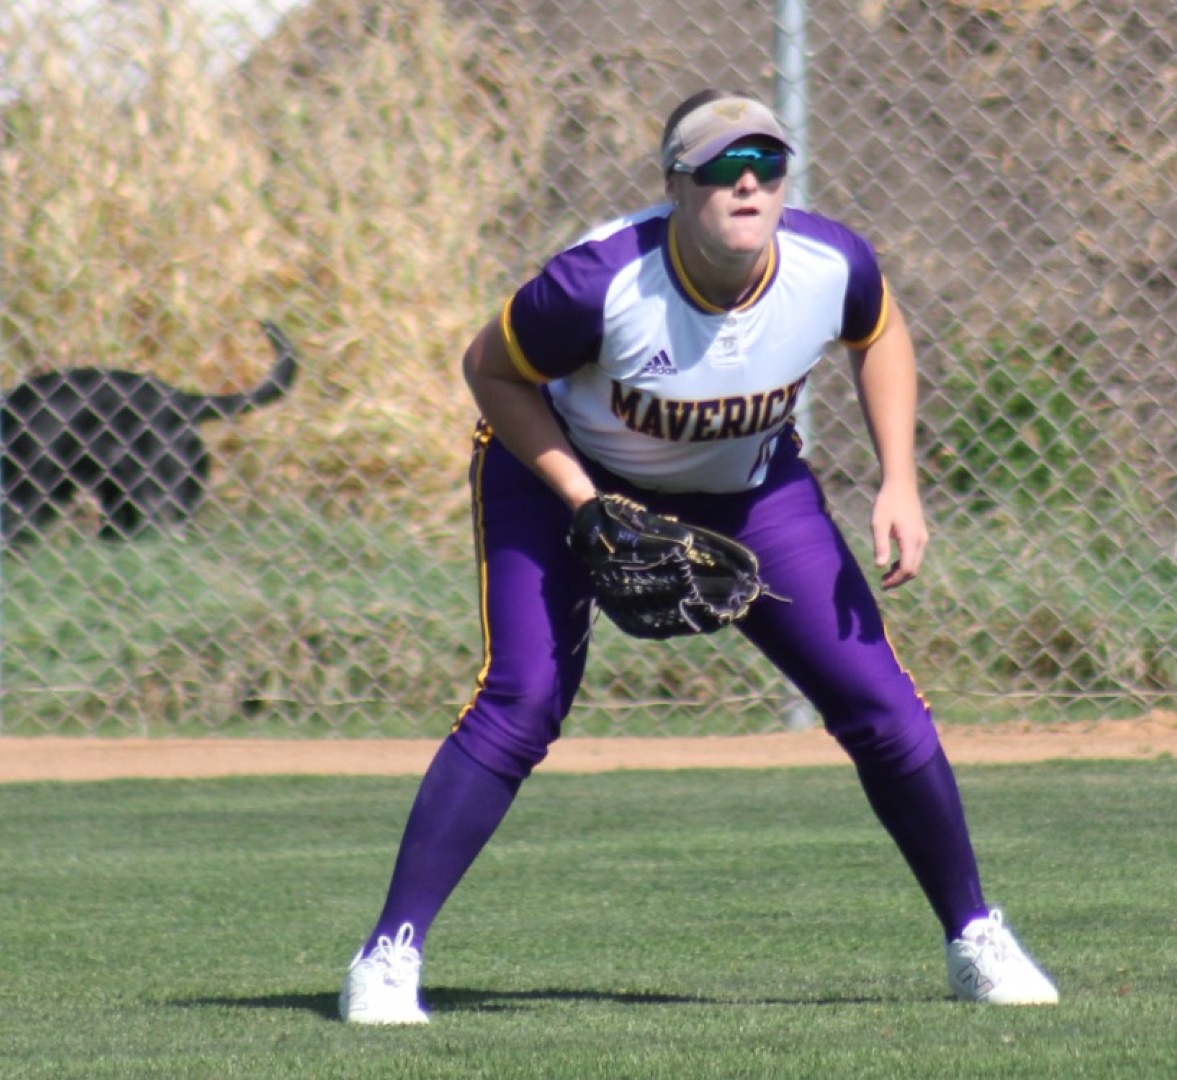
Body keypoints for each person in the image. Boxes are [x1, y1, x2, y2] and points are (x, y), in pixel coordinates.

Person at [337, 89, 1060, 1024]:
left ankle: (975, 935)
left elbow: (878, 332)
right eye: (722, 167)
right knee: (522, 703)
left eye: (766, 162)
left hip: (751, 488)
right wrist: (584, 501)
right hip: (566, 473)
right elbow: (492, 370)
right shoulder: (599, 283)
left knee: (880, 704)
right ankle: (389, 955)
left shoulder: (829, 261)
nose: (748, 181)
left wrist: (900, 479)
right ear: (677, 186)